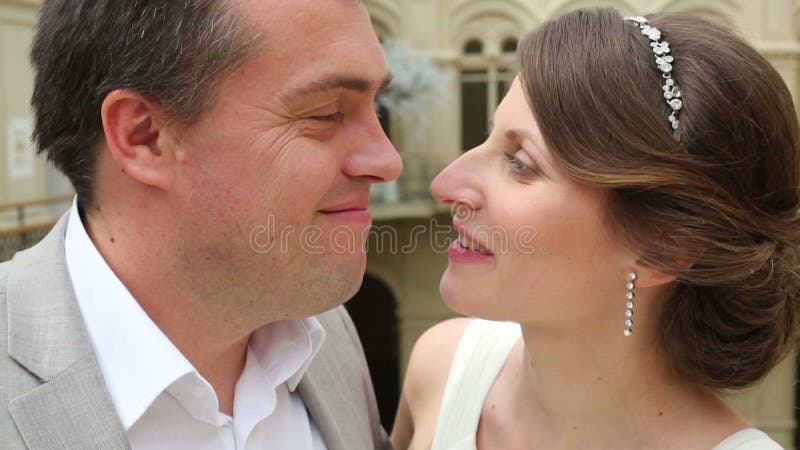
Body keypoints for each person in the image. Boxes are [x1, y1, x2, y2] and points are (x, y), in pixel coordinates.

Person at [392, 8, 798, 450]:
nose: (445, 185)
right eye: (488, 138)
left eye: (519, 163)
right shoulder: (441, 371)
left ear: (664, 246)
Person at [1, 0, 401, 449]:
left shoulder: (322, 336)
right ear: (144, 136)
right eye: (325, 113)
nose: (388, 161)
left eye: (376, 107)